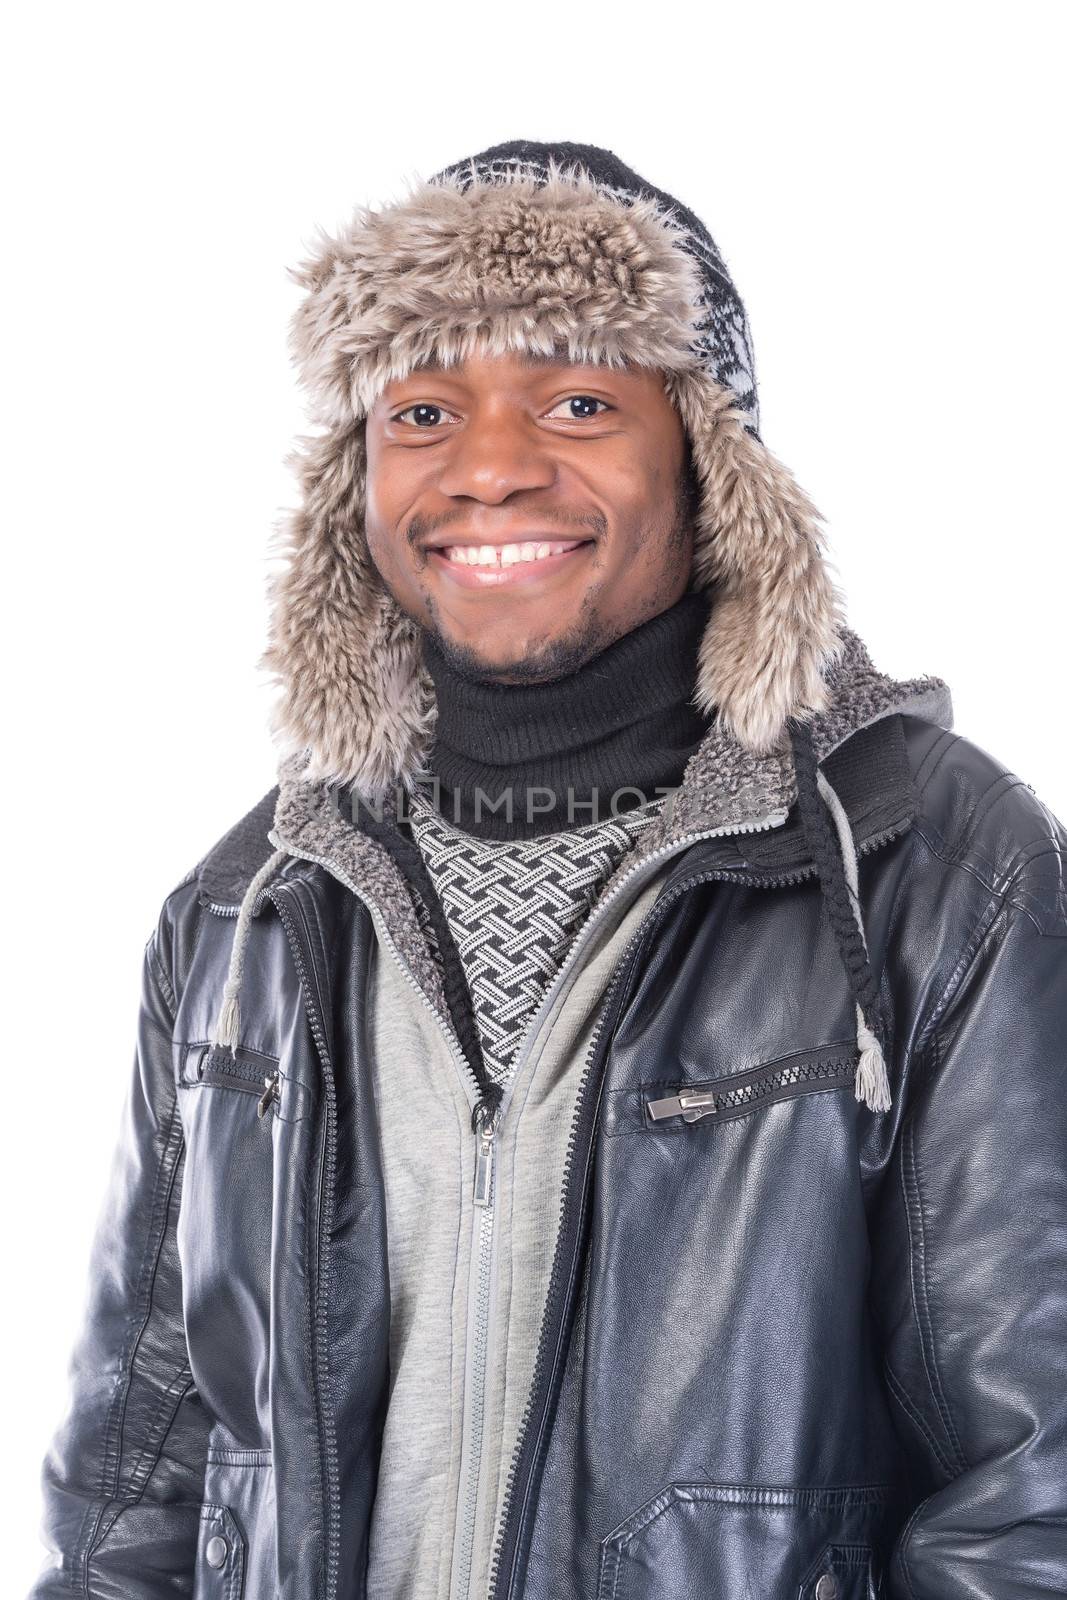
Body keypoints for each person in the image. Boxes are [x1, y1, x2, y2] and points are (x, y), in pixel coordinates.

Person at [29, 139, 1067, 1600]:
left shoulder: (933, 873)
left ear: (711, 457)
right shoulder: (248, 909)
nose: (494, 465)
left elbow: (1035, 1503)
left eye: (580, 400)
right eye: (426, 408)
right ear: (359, 480)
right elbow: (137, 1487)